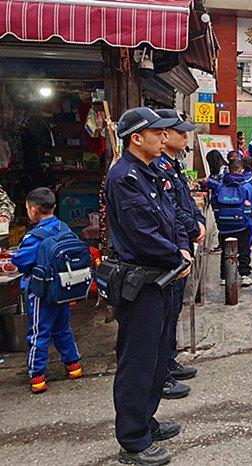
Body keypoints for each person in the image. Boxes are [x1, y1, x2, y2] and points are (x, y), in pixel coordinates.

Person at [106, 107, 192, 465]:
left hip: (164, 278)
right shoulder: (124, 177)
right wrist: (177, 255)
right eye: (156, 133)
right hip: (141, 280)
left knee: (158, 358)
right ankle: (133, 440)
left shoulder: (152, 171)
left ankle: (146, 420)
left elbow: (169, 218)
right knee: (138, 362)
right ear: (136, 138)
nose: (163, 137)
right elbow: (142, 234)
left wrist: (181, 248)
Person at [153, 109, 204, 400]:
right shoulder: (156, 167)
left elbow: (185, 199)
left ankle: (168, 363)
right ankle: (161, 374)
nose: (185, 137)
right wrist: (192, 225)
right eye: (179, 132)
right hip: (170, 246)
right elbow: (169, 208)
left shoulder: (173, 163)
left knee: (173, 309)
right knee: (164, 313)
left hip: (181, 242)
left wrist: (197, 222)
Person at [11, 187, 82, 394]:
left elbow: (22, 261)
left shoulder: (35, 236)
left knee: (39, 332)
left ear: (33, 210)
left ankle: (37, 377)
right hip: (63, 288)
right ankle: (73, 366)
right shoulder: (64, 227)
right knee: (62, 328)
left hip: (41, 291)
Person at [210, 158, 252, 287]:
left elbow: (213, 202)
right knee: (244, 250)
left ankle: (225, 277)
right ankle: (244, 274)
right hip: (242, 225)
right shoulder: (246, 186)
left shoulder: (220, 186)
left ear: (228, 170)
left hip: (224, 226)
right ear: (242, 171)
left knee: (225, 251)